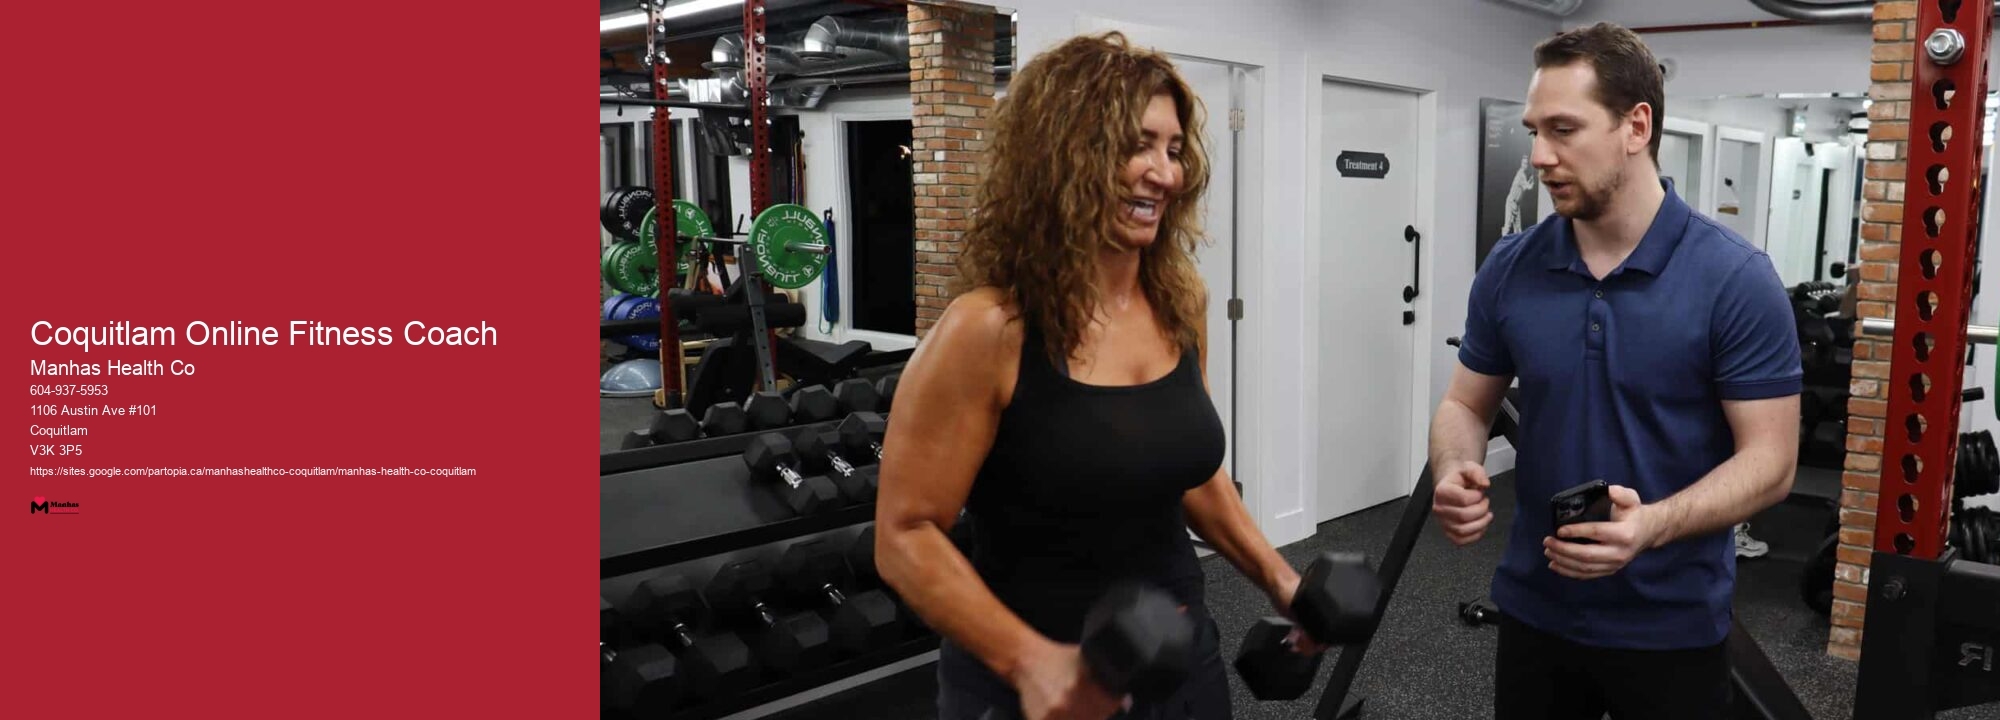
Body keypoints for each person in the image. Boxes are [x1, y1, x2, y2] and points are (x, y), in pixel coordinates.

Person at [872, 32, 1322, 720]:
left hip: (1175, 656)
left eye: (1174, 150)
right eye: (1137, 146)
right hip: (1035, 677)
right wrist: (1029, 662)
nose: (1164, 173)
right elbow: (905, 535)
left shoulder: (1180, 303)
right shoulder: (987, 329)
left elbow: (1192, 473)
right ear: (1063, 156)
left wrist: (1279, 579)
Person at [1430, 22, 1801, 720]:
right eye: (1535, 130)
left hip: (1671, 625)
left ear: (1636, 127)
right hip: (1536, 609)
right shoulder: (1511, 267)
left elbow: (1772, 463)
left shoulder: (1735, 279)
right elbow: (1465, 405)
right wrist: (1455, 468)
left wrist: (1650, 525)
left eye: (1564, 130)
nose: (1539, 156)